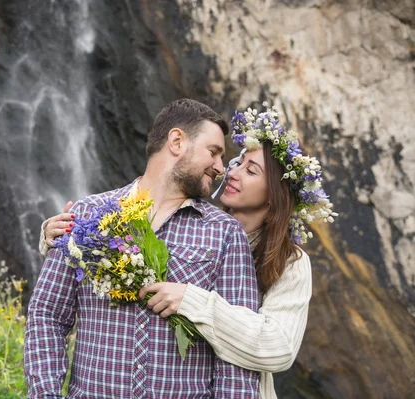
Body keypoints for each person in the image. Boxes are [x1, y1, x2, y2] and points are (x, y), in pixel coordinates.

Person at [39, 103, 337, 399]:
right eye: (230, 161)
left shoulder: (269, 255)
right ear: (177, 142)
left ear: (274, 195)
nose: (226, 171)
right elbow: (49, 311)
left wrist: (192, 301)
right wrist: (65, 241)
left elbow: (274, 351)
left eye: (250, 170)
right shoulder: (98, 215)